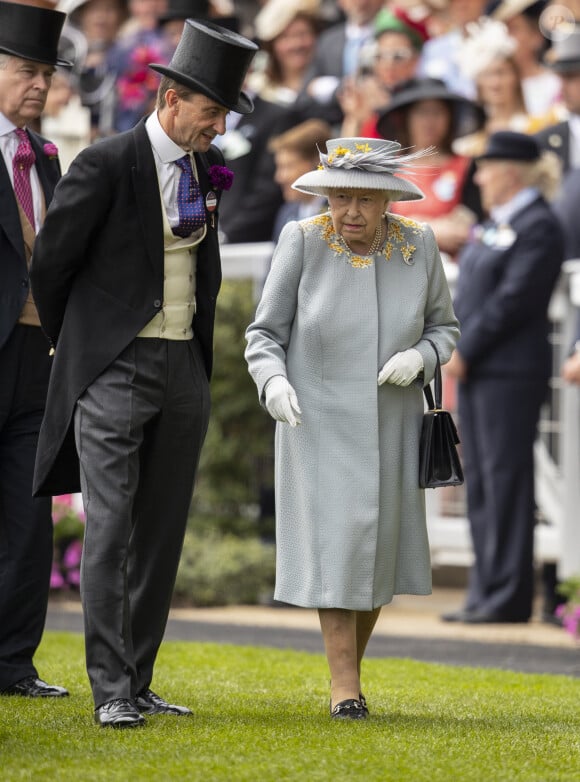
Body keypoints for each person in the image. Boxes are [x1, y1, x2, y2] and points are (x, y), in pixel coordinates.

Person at [30, 19, 257, 728]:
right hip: (115, 368)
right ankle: (110, 690)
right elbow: (52, 267)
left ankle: (142, 678)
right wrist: (88, 350)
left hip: (183, 365)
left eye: (223, 114)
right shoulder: (103, 162)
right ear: (171, 100)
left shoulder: (201, 171)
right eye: (211, 112)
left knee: (161, 530)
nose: (218, 127)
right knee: (113, 528)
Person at [245, 136, 460, 719]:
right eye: (340, 198)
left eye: (365, 200)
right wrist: (273, 383)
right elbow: (264, 335)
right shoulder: (303, 240)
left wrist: (422, 357)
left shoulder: (419, 244)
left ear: (389, 199)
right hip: (315, 420)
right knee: (338, 548)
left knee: (374, 553)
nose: (351, 213)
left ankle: (350, 675)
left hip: (391, 422)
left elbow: (445, 329)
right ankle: (345, 688)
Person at [443, 131, 564, 624]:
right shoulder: (499, 223)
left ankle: (509, 596)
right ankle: (485, 590)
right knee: (484, 485)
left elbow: (515, 300)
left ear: (511, 171)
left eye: (486, 167)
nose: (479, 177)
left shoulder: (538, 225)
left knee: (507, 482)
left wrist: (466, 349)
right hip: (481, 370)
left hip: (509, 371)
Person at [0, 0, 71, 700]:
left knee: (29, 520)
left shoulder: (46, 156)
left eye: (46, 74)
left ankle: (13, 664)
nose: (39, 86)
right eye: (26, 70)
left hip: (37, 355)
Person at [377, 76, 484, 259]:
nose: (430, 121)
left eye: (438, 112)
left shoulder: (467, 166)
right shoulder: (387, 170)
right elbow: (379, 227)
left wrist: (410, 227)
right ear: (407, 119)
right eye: (422, 112)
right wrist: (432, 230)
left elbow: (463, 228)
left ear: (450, 118)